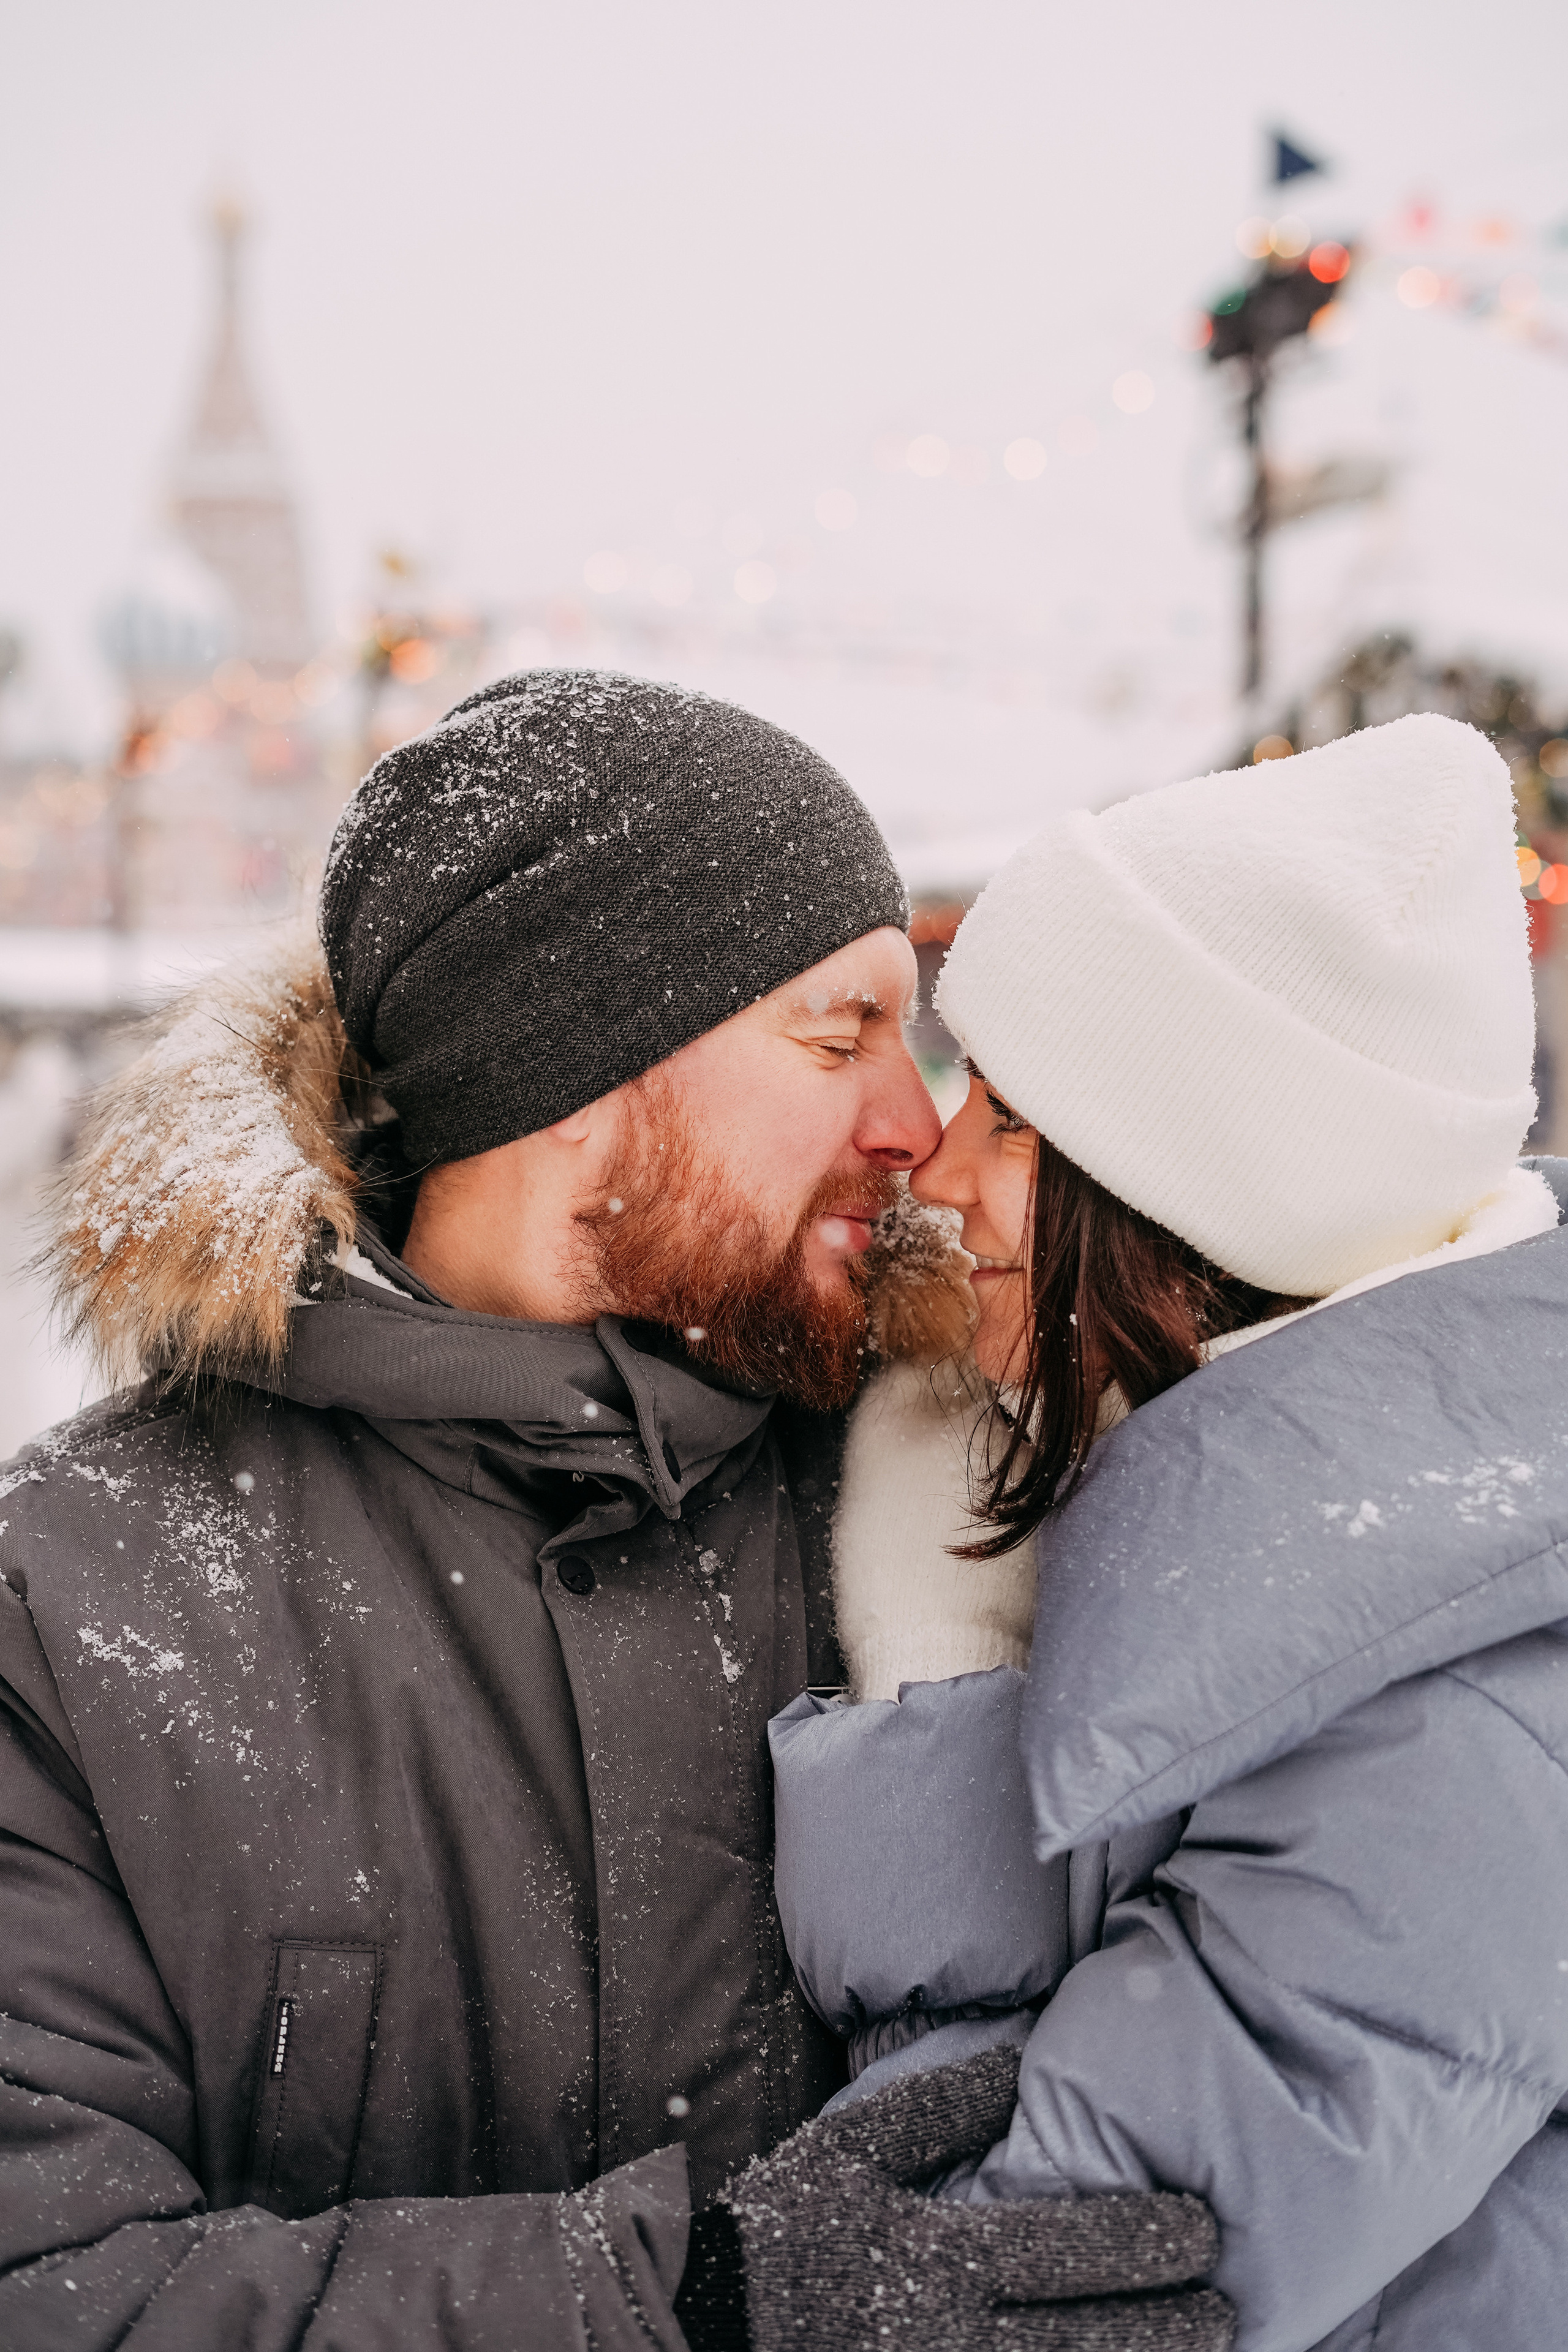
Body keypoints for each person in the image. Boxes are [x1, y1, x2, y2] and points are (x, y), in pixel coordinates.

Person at [0, 669, 1226, 2352]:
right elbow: (51, 2287)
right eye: (840, 1031)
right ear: (577, 1074)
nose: (916, 1121)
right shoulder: (75, 1605)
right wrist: (686, 2306)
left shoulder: (971, 1497)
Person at [768, 711, 1568, 2351]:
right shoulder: (1129, 1502)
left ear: (1179, 1186)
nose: (941, 1163)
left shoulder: (1460, 1720)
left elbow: (1065, 2269)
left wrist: (705, 2287)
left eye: (1006, 1112)